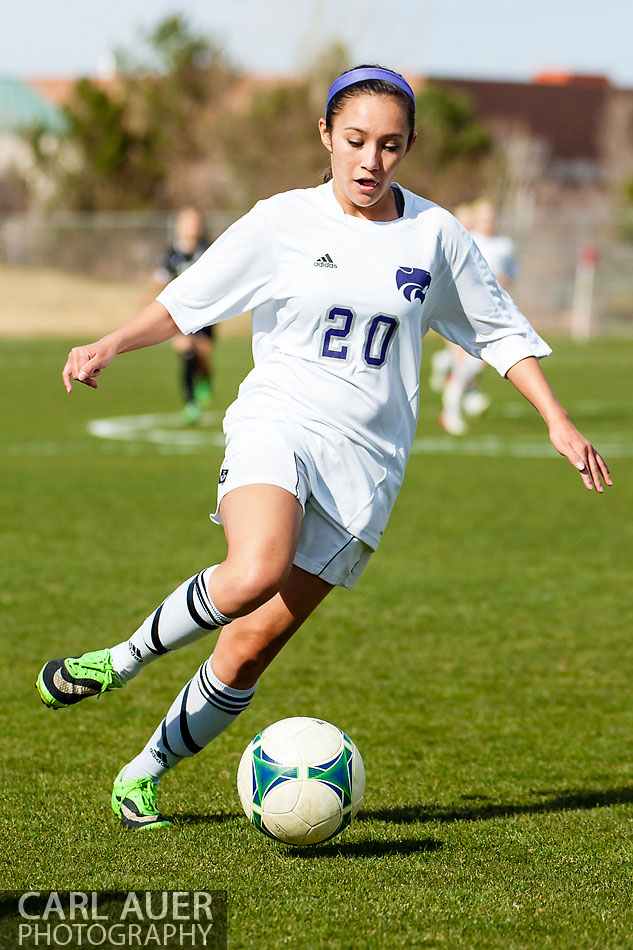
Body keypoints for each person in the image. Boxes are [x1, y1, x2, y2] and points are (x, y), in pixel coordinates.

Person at [36, 66, 611, 830]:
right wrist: (112, 341)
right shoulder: (282, 221)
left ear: (407, 148)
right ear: (325, 138)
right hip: (279, 423)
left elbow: (499, 332)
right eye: (355, 142)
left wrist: (556, 418)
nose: (370, 161)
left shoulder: (434, 235)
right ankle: (122, 658)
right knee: (252, 570)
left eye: (389, 146)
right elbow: (189, 297)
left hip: (365, 467)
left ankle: (141, 774)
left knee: (245, 651)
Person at [150, 206, 214, 424]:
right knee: (187, 353)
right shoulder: (172, 255)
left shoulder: (208, 250)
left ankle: (205, 378)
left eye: (195, 222)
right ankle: (191, 403)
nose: (191, 227)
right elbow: (160, 279)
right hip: (178, 315)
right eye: (187, 222)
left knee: (203, 355)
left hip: (205, 314)